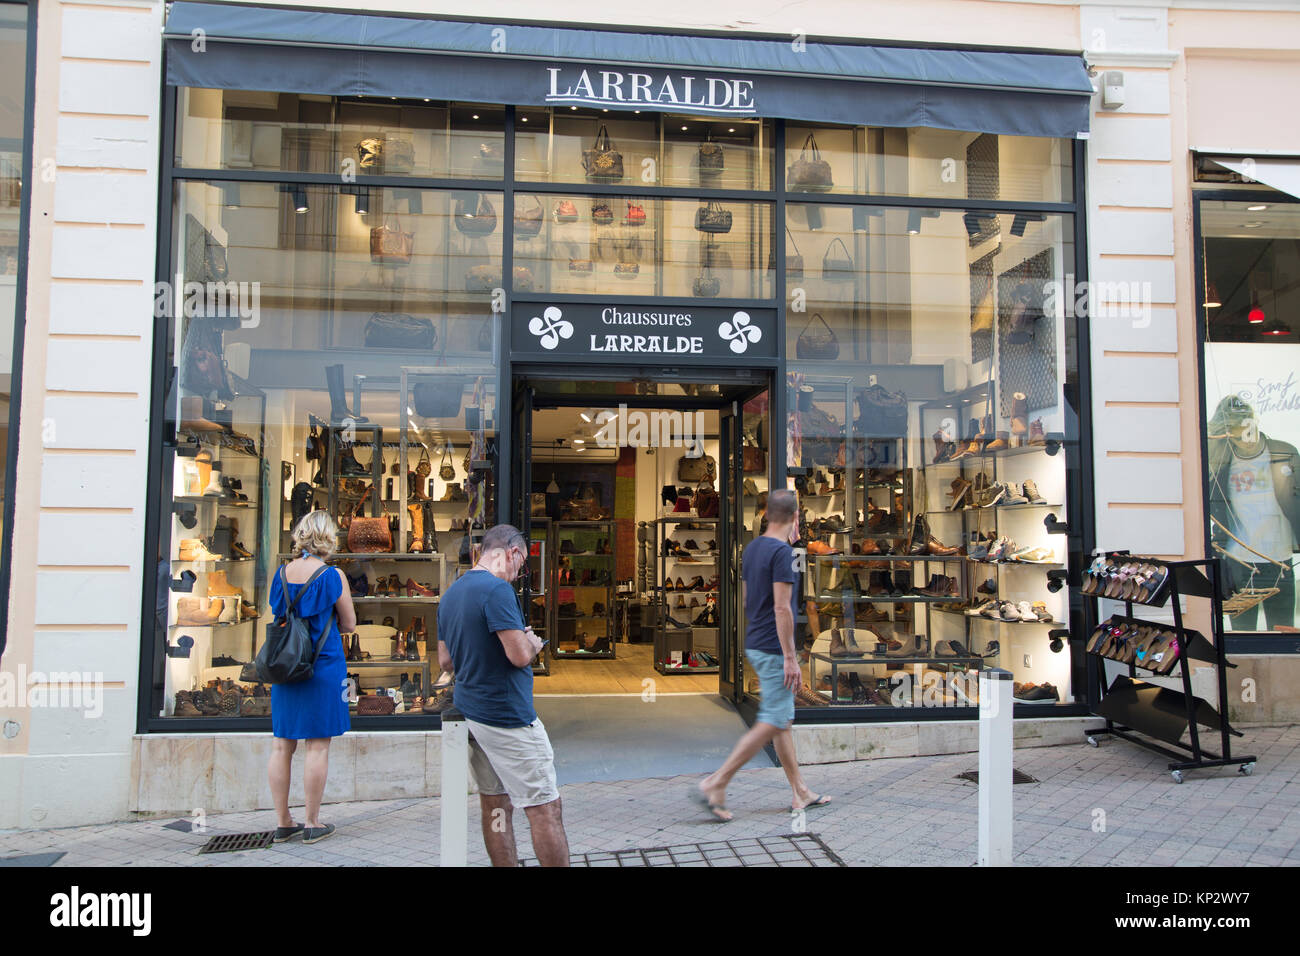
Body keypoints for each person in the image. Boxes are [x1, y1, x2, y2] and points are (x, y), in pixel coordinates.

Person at [437, 523, 569, 866]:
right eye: (521, 564)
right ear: (510, 553)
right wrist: (532, 643)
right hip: (507, 716)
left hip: (473, 713)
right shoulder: (497, 591)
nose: (519, 573)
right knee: (545, 808)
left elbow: (445, 660)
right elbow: (519, 656)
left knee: (496, 805)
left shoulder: (452, 593)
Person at [695, 489, 829, 821]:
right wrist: (789, 657)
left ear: (766, 514)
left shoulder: (753, 548)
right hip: (773, 647)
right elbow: (783, 608)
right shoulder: (783, 553)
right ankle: (717, 781)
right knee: (771, 721)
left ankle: (800, 792)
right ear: (796, 518)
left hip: (755, 640)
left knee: (781, 721)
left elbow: (745, 599)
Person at [266, 510, 356, 845]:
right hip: (322, 665)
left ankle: (283, 822)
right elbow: (349, 625)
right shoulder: (333, 576)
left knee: (281, 745)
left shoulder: (281, 573)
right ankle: (312, 821)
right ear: (328, 538)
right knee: (317, 746)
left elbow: (278, 612)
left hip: (286, 665)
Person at [1207, 393, 1300, 630]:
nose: (1245, 439)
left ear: (1254, 422)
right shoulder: (1222, 466)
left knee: (1283, 635)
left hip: (1279, 561)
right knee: (1242, 636)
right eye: (1236, 435)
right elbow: (1217, 514)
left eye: (1247, 429)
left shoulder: (1284, 453)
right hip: (1240, 564)